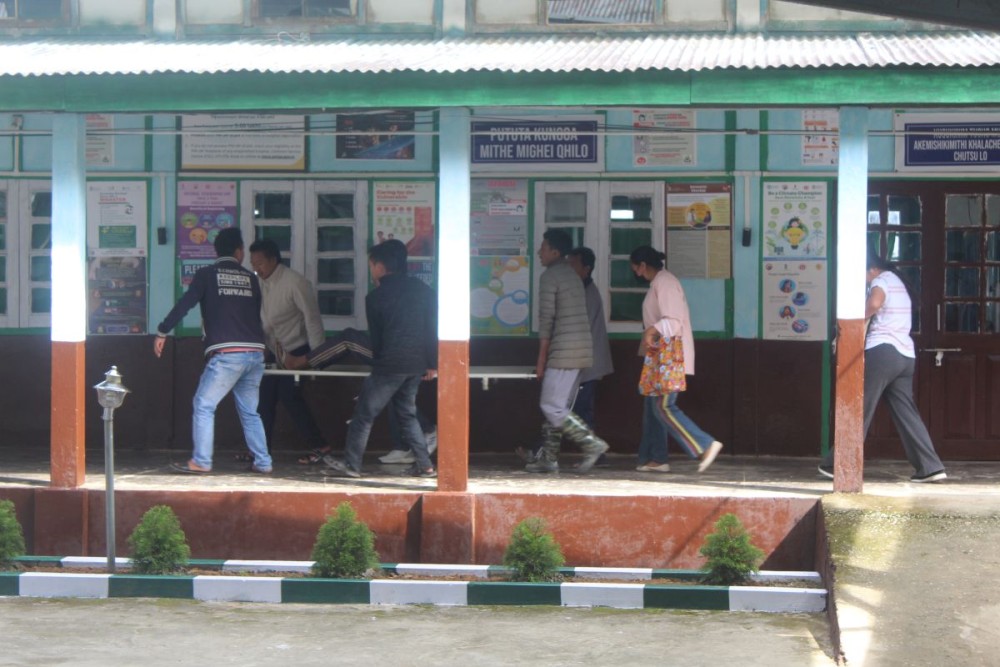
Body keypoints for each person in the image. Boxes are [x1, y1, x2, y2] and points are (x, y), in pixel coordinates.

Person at [153, 227, 272, 475]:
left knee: (204, 404)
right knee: (250, 411)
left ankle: (202, 461)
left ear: (216, 251)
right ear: (239, 252)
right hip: (256, 353)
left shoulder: (207, 275)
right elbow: (256, 313)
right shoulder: (251, 278)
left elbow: (185, 304)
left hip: (227, 355)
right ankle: (263, 461)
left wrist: (163, 330)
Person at [819, 252, 946, 483]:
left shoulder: (881, 281)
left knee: (859, 406)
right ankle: (930, 466)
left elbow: (875, 303)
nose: (865, 281)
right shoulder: (898, 282)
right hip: (905, 356)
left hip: (883, 352)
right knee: (907, 413)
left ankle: (836, 463)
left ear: (872, 270)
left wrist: (854, 320)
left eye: (864, 276)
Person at [321, 239, 438, 479]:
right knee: (407, 414)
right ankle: (425, 465)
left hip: (389, 365)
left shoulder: (375, 298)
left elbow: (378, 341)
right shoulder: (423, 290)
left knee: (364, 414)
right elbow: (430, 328)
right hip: (416, 365)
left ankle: (352, 465)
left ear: (380, 266)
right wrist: (432, 363)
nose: (371, 268)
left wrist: (377, 368)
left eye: (372, 264)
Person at [630, 245, 723, 474]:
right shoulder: (659, 283)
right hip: (660, 357)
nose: (635, 274)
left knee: (663, 407)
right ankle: (656, 457)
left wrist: (650, 330)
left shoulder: (666, 283)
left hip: (671, 356)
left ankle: (705, 444)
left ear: (642, 266)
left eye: (635, 268)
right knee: (652, 407)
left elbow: (674, 322)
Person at [283, 327, 439, 464]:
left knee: (349, 338)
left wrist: (431, 362)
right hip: (397, 351)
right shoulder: (386, 299)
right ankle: (404, 446)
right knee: (395, 394)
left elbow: (431, 324)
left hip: (400, 354)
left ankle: (303, 362)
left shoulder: (413, 296)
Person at [517, 246, 613, 467]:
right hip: (580, 357)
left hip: (571, 356)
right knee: (559, 406)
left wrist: (542, 360)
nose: (540, 252)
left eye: (544, 248)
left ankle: (592, 445)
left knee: (554, 406)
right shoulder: (578, 286)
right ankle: (548, 458)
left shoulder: (565, 283)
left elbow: (549, 321)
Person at [247, 238, 331, 464]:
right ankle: (260, 451)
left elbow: (312, 319)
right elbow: (261, 321)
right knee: (264, 399)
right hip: (273, 350)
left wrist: (317, 358)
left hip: (299, 349)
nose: (256, 268)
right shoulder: (258, 283)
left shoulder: (295, 282)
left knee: (290, 397)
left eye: (260, 263)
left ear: (274, 260)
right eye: (253, 263)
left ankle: (320, 445)